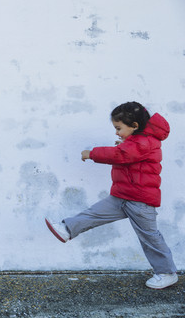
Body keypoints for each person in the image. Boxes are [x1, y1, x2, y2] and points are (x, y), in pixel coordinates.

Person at [45, 102, 177, 289]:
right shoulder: (138, 140)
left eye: (118, 128)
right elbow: (128, 152)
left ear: (134, 126)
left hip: (140, 201)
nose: (116, 132)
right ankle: (67, 229)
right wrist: (126, 143)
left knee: (150, 237)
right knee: (95, 213)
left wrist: (91, 153)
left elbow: (119, 155)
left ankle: (166, 272)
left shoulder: (144, 142)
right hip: (122, 195)